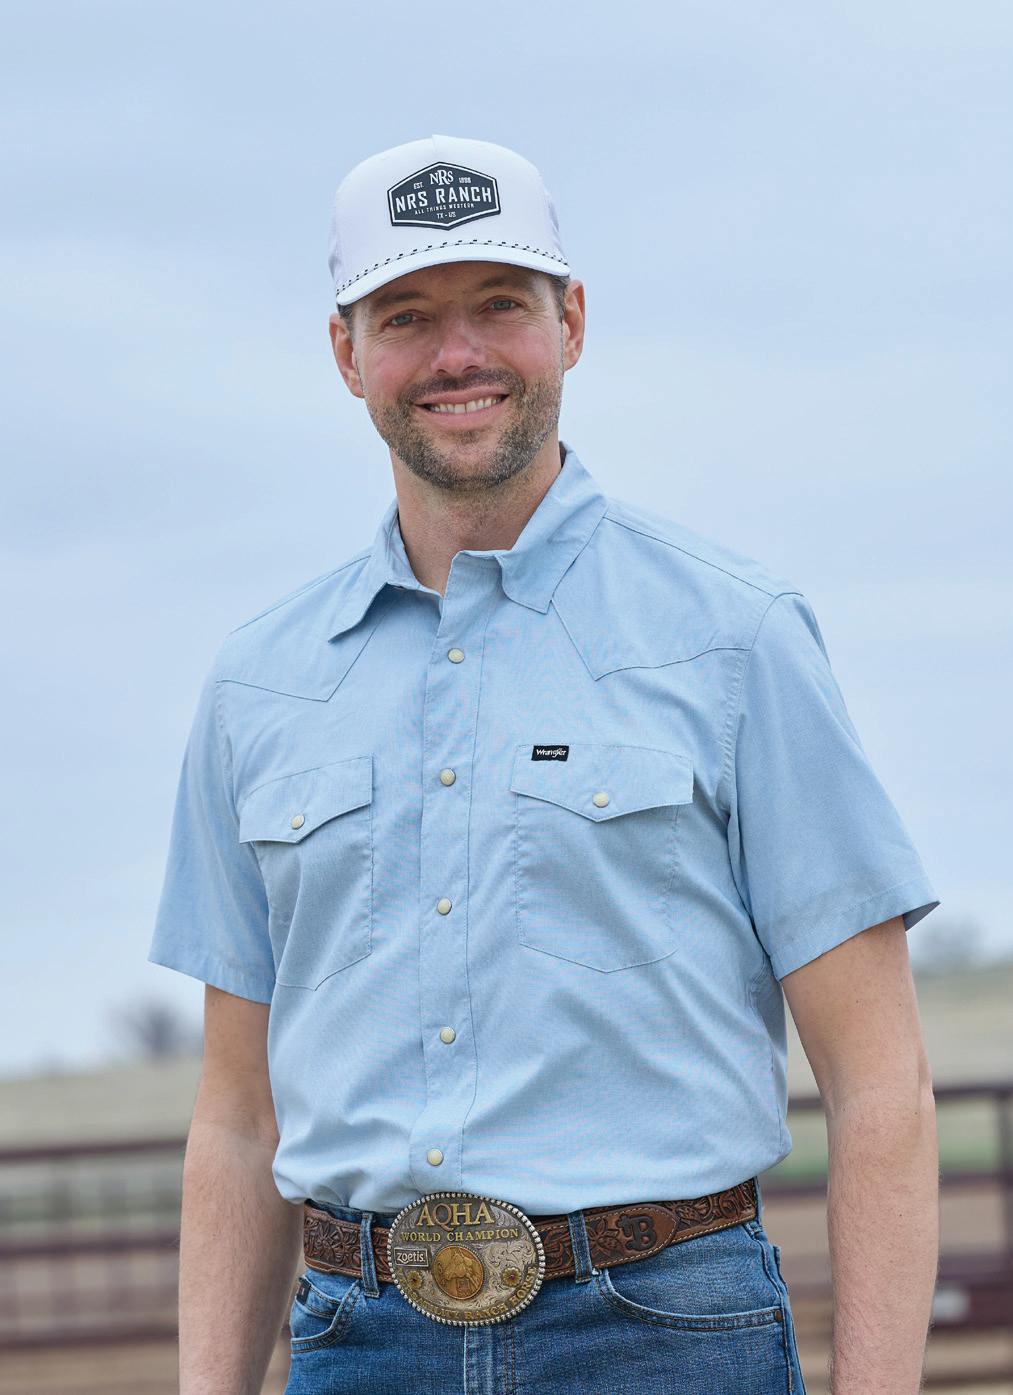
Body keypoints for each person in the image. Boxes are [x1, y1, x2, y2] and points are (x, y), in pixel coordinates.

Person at [148, 134, 941, 1395]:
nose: (456, 354)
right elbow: (238, 1121)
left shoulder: (735, 638)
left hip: (664, 1337)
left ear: (569, 323)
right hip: (358, 1343)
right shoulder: (261, 685)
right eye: (406, 317)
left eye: (498, 305)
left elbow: (878, 1081)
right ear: (346, 354)